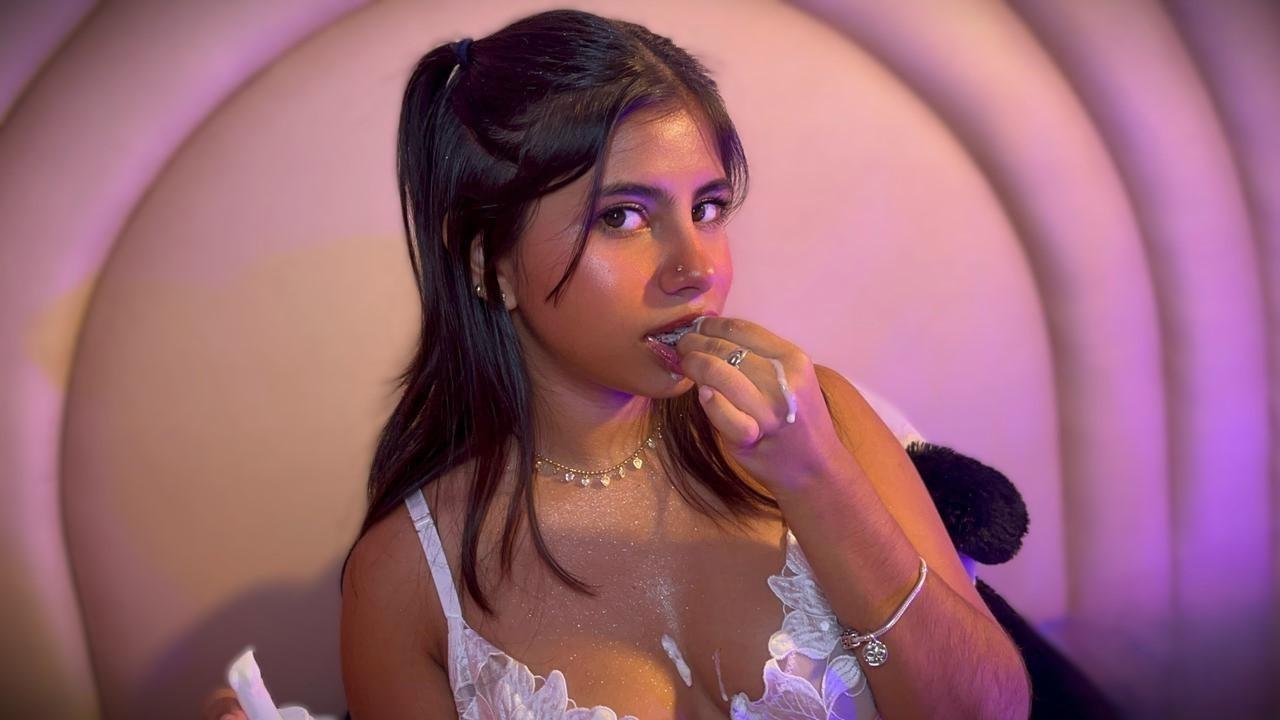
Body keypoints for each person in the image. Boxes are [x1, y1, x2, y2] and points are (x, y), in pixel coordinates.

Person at [203, 8, 1030, 719]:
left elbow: (991, 709)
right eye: (624, 217)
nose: (696, 267)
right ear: (489, 260)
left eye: (709, 207)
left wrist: (821, 483)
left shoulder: (827, 420)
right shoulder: (403, 581)